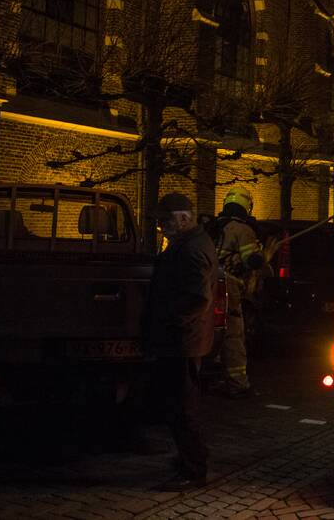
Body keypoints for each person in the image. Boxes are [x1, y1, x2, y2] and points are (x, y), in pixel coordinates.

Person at [148, 193, 217, 491]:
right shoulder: (189, 244)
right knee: (180, 404)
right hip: (184, 338)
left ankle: (193, 469)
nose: (162, 226)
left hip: (182, 341)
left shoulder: (191, 249)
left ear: (184, 218)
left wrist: (170, 319)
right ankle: (191, 459)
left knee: (183, 406)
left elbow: (197, 298)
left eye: (166, 220)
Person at [211, 186, 264, 399]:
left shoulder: (213, 227)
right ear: (247, 206)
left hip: (205, 285)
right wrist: (260, 254)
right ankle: (238, 384)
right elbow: (252, 260)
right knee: (233, 334)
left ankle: (212, 377)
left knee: (210, 333)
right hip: (228, 288)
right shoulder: (242, 230)